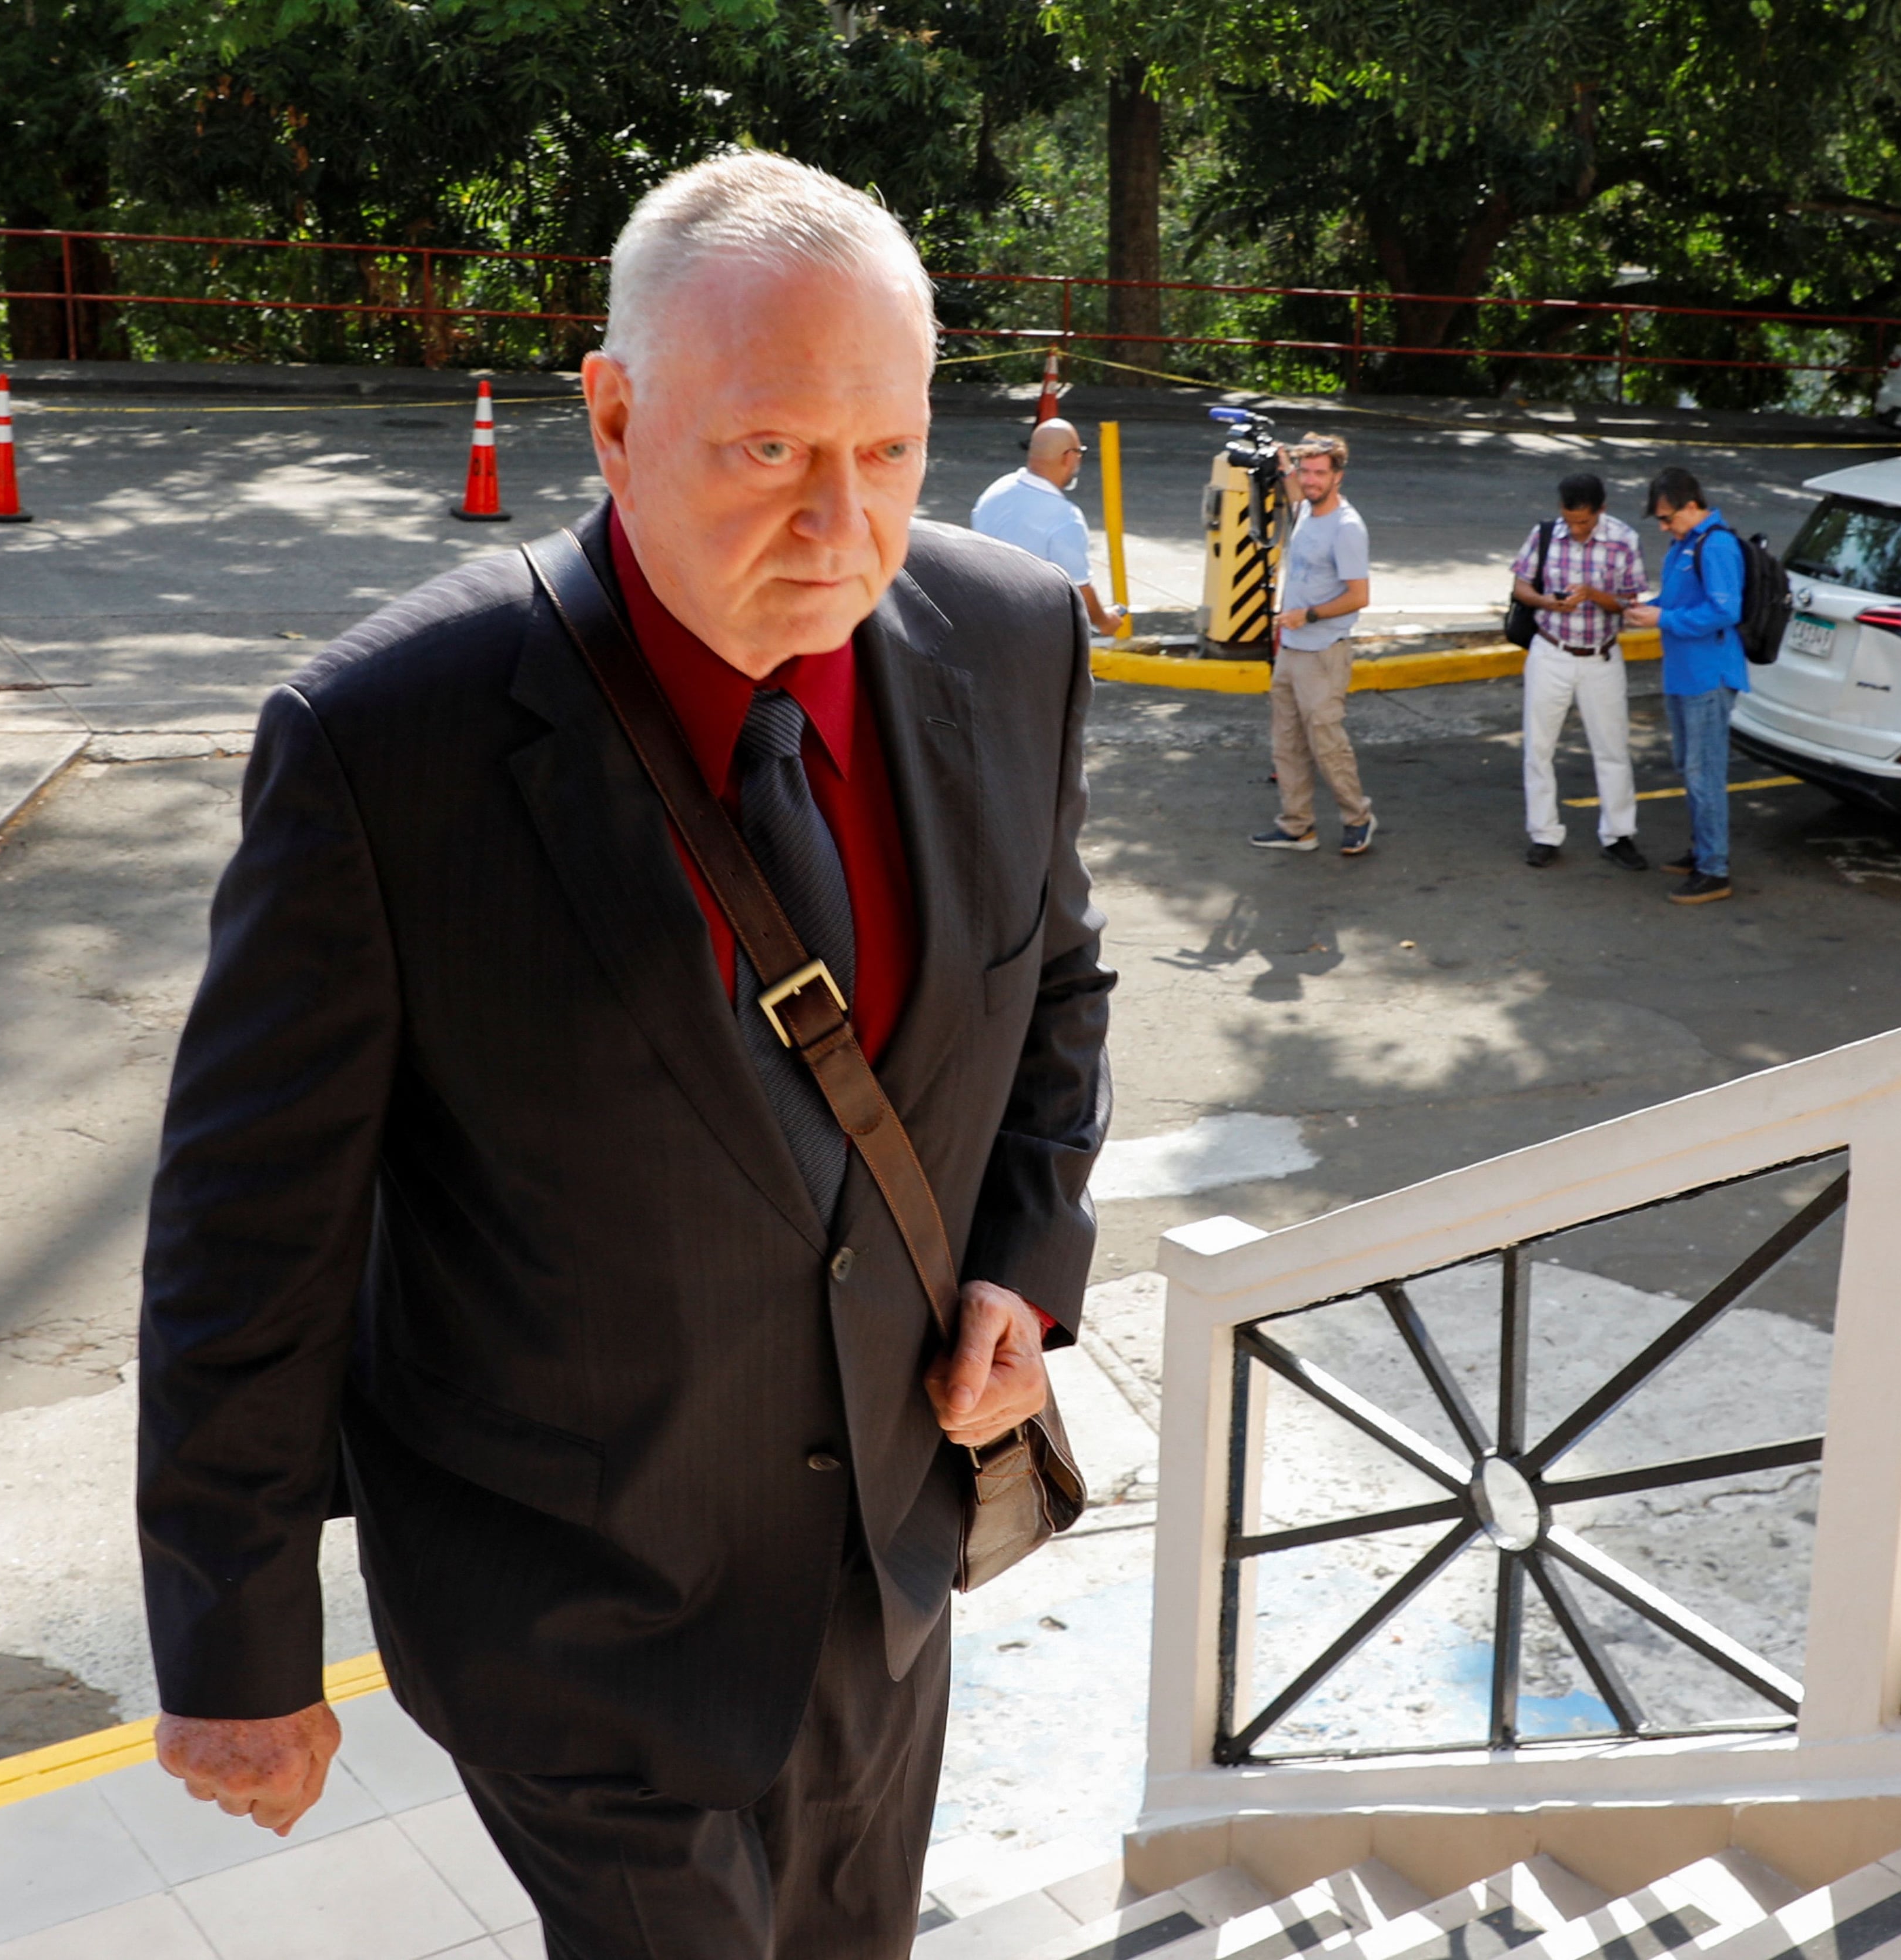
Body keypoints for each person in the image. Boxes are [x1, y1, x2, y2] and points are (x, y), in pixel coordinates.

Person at [138, 150, 1111, 1959]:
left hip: (881, 1572)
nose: (841, 523)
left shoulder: (1011, 636)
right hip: (566, 1606)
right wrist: (233, 1643)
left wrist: (1019, 1271)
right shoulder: (381, 744)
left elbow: (1051, 988)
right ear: (611, 411)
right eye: (767, 450)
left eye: (885, 451)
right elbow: (246, 1234)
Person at [1510, 471, 1649, 870]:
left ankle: (1619, 834)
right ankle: (1544, 833)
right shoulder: (1544, 534)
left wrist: (1593, 596)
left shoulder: (1624, 540)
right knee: (1539, 748)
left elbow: (1629, 605)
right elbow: (1521, 587)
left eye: (1584, 522)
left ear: (1601, 511)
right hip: (1551, 650)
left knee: (1612, 749)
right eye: (1570, 520)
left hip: (1601, 656)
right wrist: (1546, 602)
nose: (1576, 528)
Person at [1624, 466, 1749, 904]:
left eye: (1666, 517)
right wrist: (1651, 610)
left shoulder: (1715, 546)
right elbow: (1679, 603)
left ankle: (1714, 868)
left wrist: (1664, 618)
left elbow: (1724, 611)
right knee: (1689, 765)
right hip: (1684, 673)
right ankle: (1703, 851)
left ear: (1692, 507)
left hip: (1707, 675)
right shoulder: (1686, 544)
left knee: (1704, 771)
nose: (1662, 526)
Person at [1250, 433, 1375, 855]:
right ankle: (1298, 826)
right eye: (1307, 472)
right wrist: (1284, 460)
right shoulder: (1306, 508)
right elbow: (1293, 487)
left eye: (1321, 473)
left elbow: (1360, 596)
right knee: (1286, 743)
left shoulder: (1347, 528)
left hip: (1323, 652)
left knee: (1327, 745)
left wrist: (1310, 615)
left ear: (1338, 476)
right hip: (1291, 650)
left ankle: (1358, 817)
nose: (1311, 480)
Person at [970, 418, 1124, 636]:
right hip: (1031, 632)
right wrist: (1105, 620)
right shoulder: (1065, 518)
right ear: (1070, 457)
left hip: (981, 621)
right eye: (1080, 453)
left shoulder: (996, 491)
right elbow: (1080, 589)